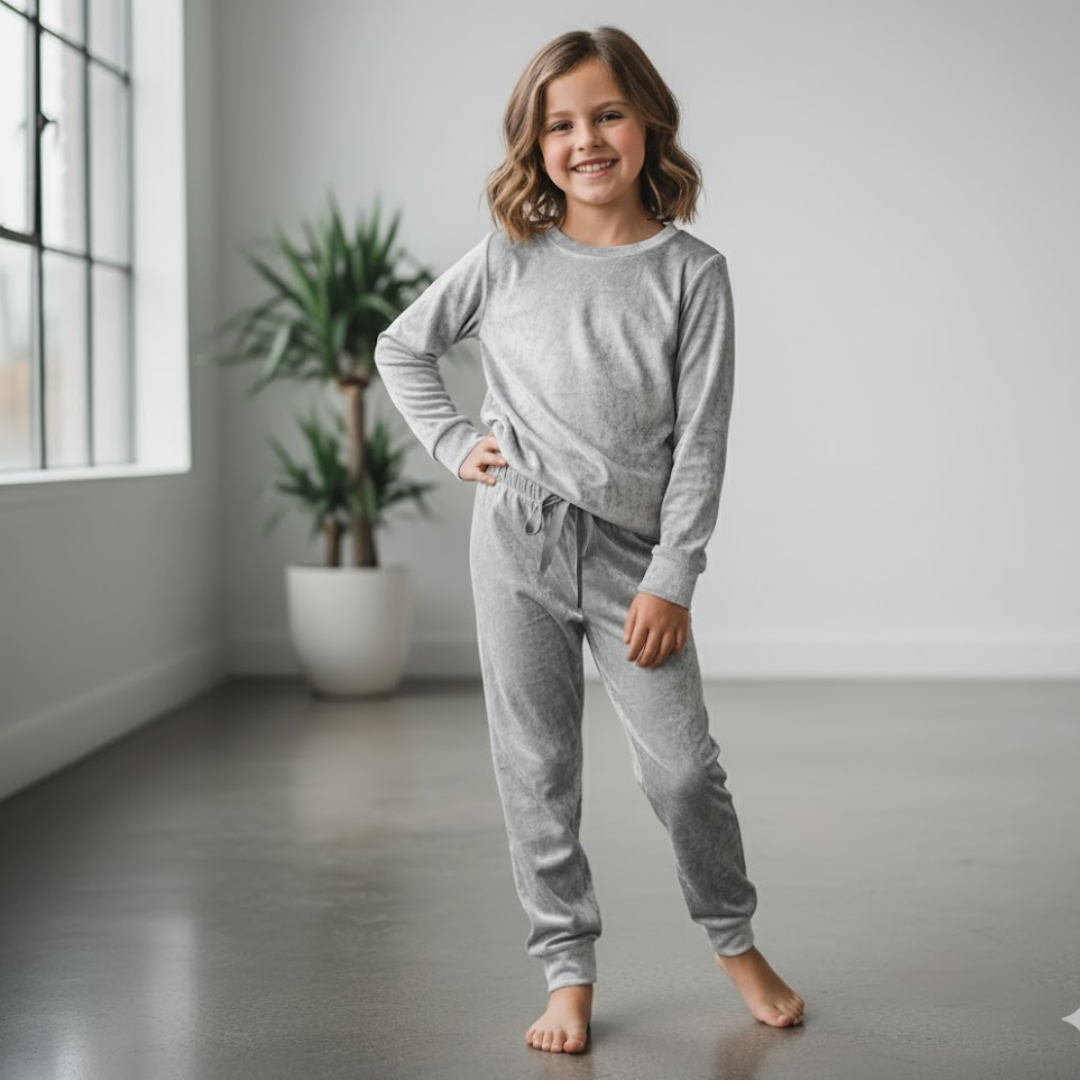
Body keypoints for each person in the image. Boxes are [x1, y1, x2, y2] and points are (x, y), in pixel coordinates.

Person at [374, 24, 805, 1055]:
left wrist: (674, 575)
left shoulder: (694, 275)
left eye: (607, 113)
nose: (587, 140)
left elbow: (701, 445)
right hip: (515, 541)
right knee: (536, 766)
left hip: (632, 563)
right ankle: (566, 970)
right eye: (560, 124)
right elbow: (404, 346)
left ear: (650, 119)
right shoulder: (509, 257)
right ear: (535, 143)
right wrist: (453, 442)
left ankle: (734, 938)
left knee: (682, 771)